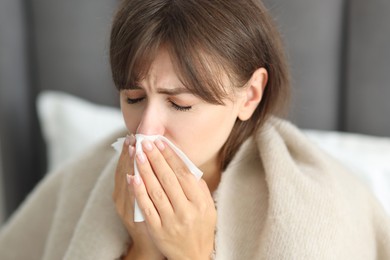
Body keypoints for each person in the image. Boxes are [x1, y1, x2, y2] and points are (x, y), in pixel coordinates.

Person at [0, 0, 389, 259]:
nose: (146, 130)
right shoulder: (88, 179)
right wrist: (144, 250)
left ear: (250, 95)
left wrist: (194, 253)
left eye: (180, 104)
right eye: (133, 98)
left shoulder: (322, 214)